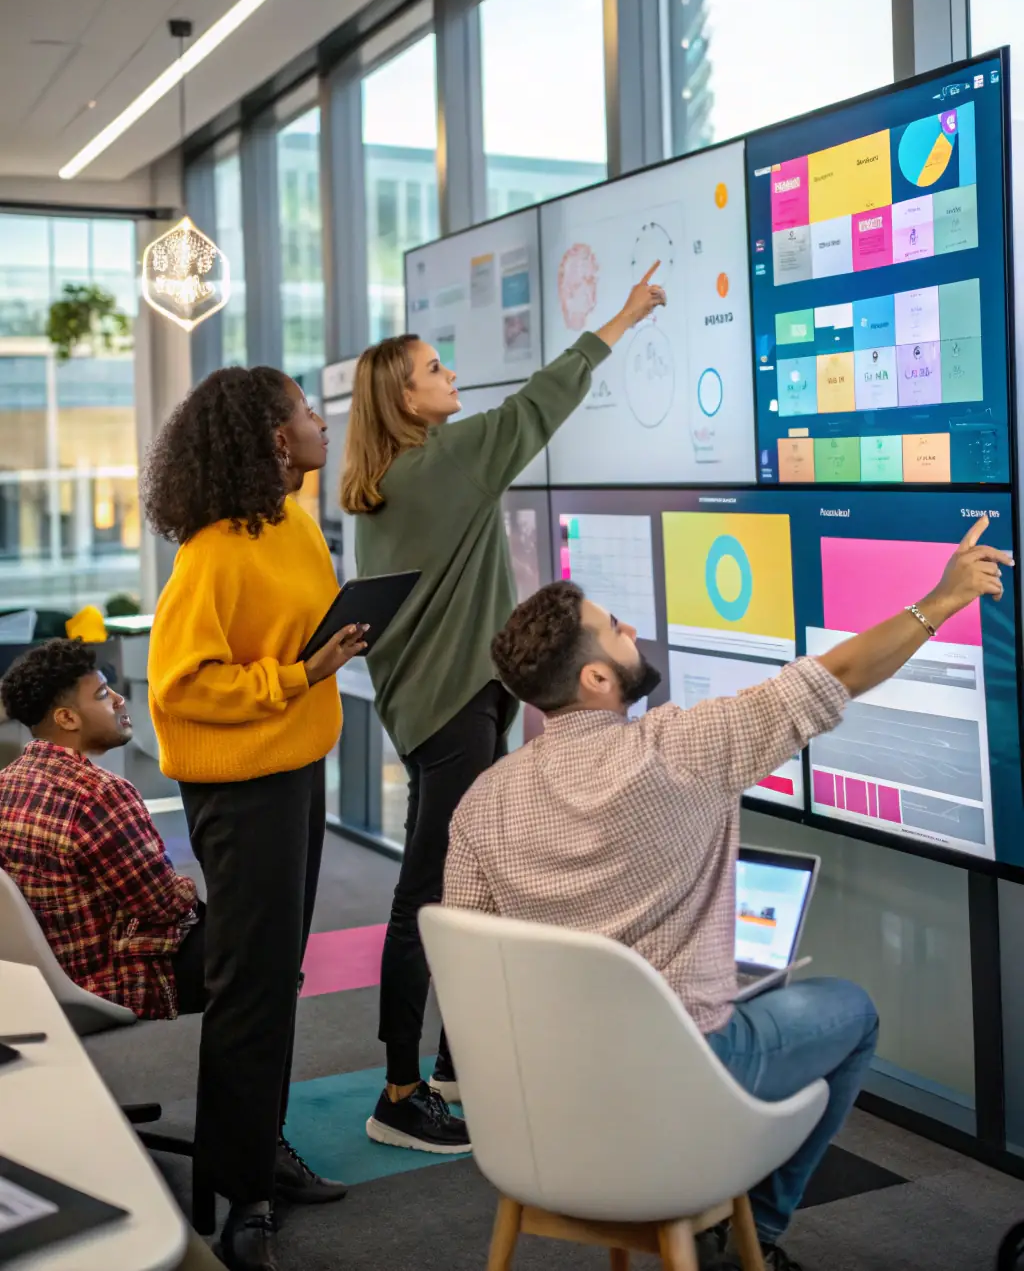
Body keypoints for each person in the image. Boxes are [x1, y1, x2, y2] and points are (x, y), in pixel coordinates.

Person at [442, 517, 1011, 1271]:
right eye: (614, 628)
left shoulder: (483, 800)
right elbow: (836, 674)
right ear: (596, 679)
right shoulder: (681, 749)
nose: (632, 627)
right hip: (682, 1089)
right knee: (852, 1011)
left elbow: (467, 963)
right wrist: (941, 600)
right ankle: (753, 1238)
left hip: (540, 1110)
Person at [341, 265, 667, 1153]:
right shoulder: (444, 462)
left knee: (464, 885)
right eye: (435, 369)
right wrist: (624, 317)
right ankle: (401, 1091)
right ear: (406, 402)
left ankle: (452, 1066)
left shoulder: (390, 482)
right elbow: (537, 406)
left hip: (437, 704)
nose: (451, 377)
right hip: (455, 710)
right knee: (431, 897)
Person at [144, 367, 367, 1271]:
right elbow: (180, 682)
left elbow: (298, 638)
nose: (321, 424)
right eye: (309, 413)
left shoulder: (296, 524)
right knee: (250, 984)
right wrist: (299, 677)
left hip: (296, 765)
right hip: (240, 785)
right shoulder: (214, 550)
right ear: (276, 438)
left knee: (280, 975)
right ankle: (241, 1199)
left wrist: (339, 644)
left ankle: (259, 1152)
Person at [0, 638, 202, 1018]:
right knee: (259, 962)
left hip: (37, 973)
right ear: (67, 718)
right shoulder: (99, 795)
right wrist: (188, 887)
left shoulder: (6, 783)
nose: (120, 701)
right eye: (103, 694)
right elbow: (163, 905)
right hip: (110, 976)